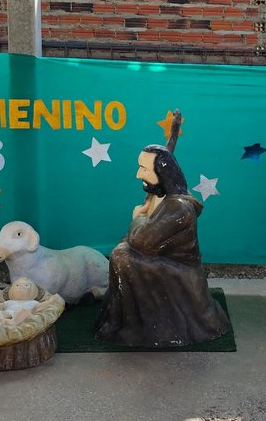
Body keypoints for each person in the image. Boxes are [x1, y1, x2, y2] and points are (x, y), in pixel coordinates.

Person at [95, 120, 232, 347]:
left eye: (144, 169)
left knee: (122, 257)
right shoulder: (158, 196)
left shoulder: (179, 207)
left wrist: (137, 217)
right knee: (121, 251)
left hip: (181, 275)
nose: (138, 174)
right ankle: (129, 321)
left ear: (162, 173)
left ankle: (145, 326)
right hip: (162, 264)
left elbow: (142, 241)